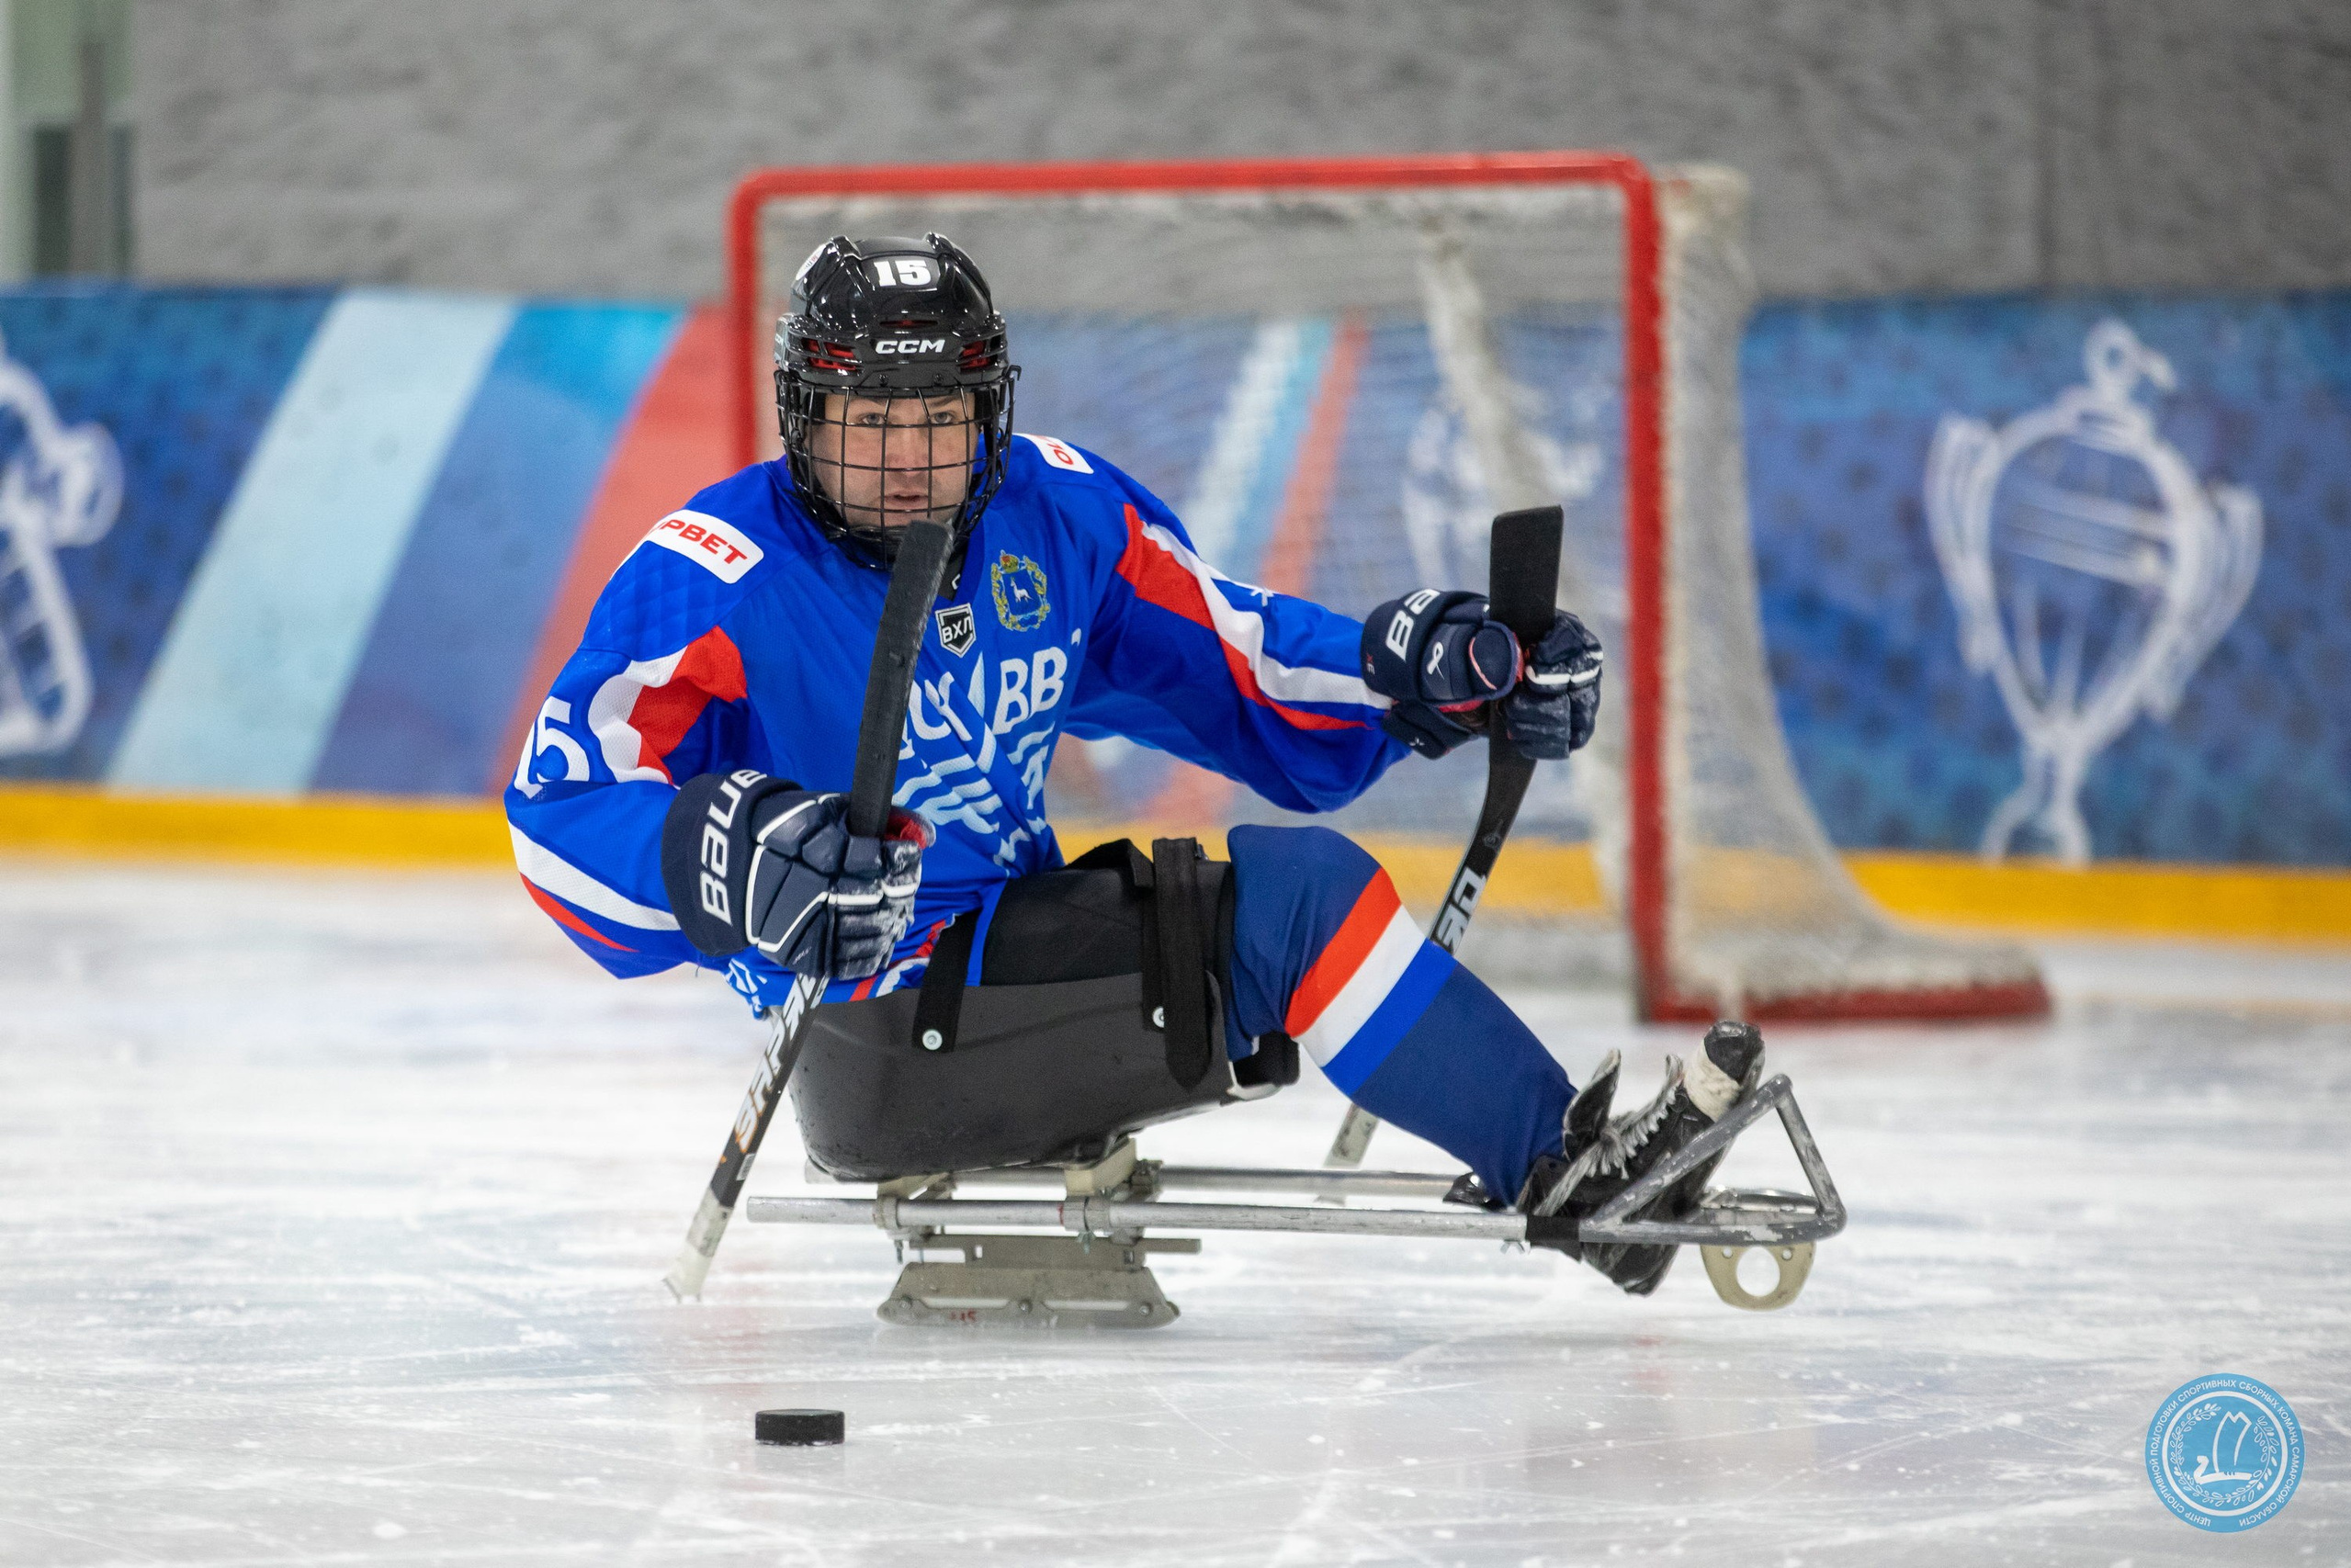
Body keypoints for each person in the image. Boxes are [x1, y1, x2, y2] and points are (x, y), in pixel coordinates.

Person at [505, 232, 1764, 1294]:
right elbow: (554, 816)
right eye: (867, 422)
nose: (905, 463)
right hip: (871, 1038)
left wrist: (1423, 670)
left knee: (1279, 897)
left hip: (1007, 959)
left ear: (989, 411)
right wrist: (727, 853)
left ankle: (1556, 1157)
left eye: (938, 419)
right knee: (1296, 904)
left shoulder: (1055, 518)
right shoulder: (712, 573)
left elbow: (1242, 669)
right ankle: (1563, 1172)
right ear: (802, 418)